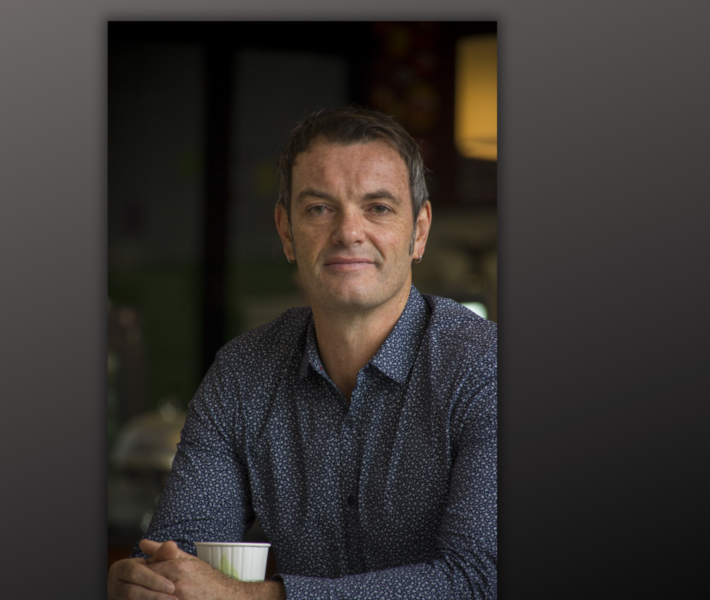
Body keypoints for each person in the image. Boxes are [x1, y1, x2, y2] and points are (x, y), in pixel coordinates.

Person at [108, 107, 497, 600]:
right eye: (319, 208)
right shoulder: (241, 374)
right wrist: (149, 583)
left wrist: (259, 598)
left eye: (378, 207)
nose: (348, 232)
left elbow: (478, 581)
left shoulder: (487, 369)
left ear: (419, 230)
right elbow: (175, 554)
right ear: (286, 231)